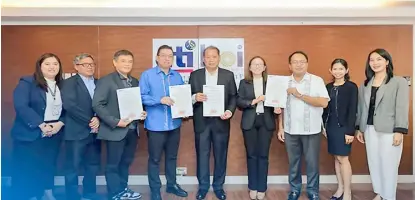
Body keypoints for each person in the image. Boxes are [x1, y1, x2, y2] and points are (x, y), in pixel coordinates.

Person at [92, 50, 147, 200]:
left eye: (130, 61)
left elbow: (136, 104)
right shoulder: (106, 81)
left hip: (132, 130)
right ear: (115, 62)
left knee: (125, 162)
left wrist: (141, 113)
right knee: (113, 164)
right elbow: (97, 105)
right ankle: (114, 193)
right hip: (115, 130)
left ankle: (123, 190)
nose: (127, 64)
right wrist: (116, 121)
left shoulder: (134, 81)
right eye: (123, 61)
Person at [355, 48, 409, 200]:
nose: (375, 63)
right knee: (374, 162)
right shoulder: (365, 84)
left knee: (389, 164)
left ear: (386, 62)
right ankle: (380, 192)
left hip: (390, 130)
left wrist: (399, 130)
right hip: (369, 129)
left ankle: (389, 196)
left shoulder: (398, 82)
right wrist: (359, 128)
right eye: (372, 60)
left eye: (379, 59)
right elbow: (361, 108)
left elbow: (401, 107)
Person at [11, 53, 65, 200]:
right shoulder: (27, 82)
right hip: (30, 132)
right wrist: (41, 125)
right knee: (28, 168)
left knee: (48, 165)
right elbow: (21, 106)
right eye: (47, 64)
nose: (52, 67)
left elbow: (69, 108)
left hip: (54, 133)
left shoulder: (63, 85)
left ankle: (47, 192)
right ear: (40, 66)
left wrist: (59, 124)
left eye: (55, 64)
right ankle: (30, 195)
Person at [277, 51, 329, 200]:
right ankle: (294, 190)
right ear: (289, 65)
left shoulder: (316, 80)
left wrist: (299, 95)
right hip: (290, 129)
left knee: (312, 162)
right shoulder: (283, 82)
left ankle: (313, 191)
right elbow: (279, 106)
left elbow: (324, 102)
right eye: (295, 62)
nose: (299, 64)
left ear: (307, 64)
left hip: (312, 130)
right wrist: (280, 127)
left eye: (302, 61)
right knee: (293, 162)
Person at [139, 45, 188, 200]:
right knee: (154, 159)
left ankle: (172, 185)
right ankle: (155, 189)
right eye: (164, 55)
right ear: (157, 58)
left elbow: (182, 97)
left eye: (170, 56)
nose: (167, 58)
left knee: (172, 157)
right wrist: (159, 100)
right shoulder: (147, 75)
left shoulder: (177, 76)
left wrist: (185, 106)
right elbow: (141, 96)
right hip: (155, 125)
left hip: (174, 124)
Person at [189, 46, 237, 200]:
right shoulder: (195, 75)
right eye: (207, 57)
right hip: (201, 122)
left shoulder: (228, 75)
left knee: (220, 156)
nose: (210, 59)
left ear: (219, 58)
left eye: (214, 57)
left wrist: (230, 111)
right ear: (203, 59)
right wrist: (195, 97)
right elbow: (187, 96)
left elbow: (233, 97)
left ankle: (218, 187)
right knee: (202, 156)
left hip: (221, 122)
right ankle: (203, 187)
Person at [236, 56, 283, 200]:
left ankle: (262, 187)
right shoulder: (244, 83)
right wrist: (254, 101)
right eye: (254, 64)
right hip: (250, 121)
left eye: (260, 64)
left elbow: (278, 100)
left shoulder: (271, 83)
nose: (257, 67)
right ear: (250, 68)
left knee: (263, 156)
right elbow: (239, 101)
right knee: (251, 155)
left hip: (266, 121)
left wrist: (277, 107)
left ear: (264, 68)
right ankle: (253, 186)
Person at [61, 53, 101, 200]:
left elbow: (103, 104)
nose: (90, 67)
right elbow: (70, 106)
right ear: (76, 66)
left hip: (95, 132)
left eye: (92, 64)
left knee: (92, 165)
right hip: (76, 131)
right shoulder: (69, 83)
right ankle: (72, 196)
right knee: (73, 167)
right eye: (86, 64)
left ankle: (89, 193)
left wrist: (98, 119)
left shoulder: (99, 82)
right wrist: (90, 120)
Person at [322, 58, 358, 200]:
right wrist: (324, 126)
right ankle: (340, 189)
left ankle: (347, 192)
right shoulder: (328, 87)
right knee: (336, 158)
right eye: (335, 69)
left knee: (343, 158)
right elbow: (325, 108)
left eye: (341, 69)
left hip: (344, 128)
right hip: (330, 127)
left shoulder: (351, 87)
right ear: (331, 70)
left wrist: (350, 131)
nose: (338, 71)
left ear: (346, 70)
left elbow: (353, 110)